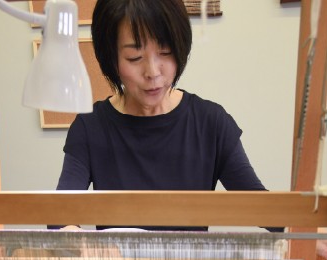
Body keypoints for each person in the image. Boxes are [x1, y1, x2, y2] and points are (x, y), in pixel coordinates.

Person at [55, 0, 274, 231]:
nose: (153, 72)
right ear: (111, 58)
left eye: (165, 52)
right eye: (134, 57)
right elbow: (60, 214)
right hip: (116, 257)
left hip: (189, 257)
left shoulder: (211, 123)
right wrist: (72, 236)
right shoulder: (90, 128)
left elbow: (264, 209)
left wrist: (301, 222)